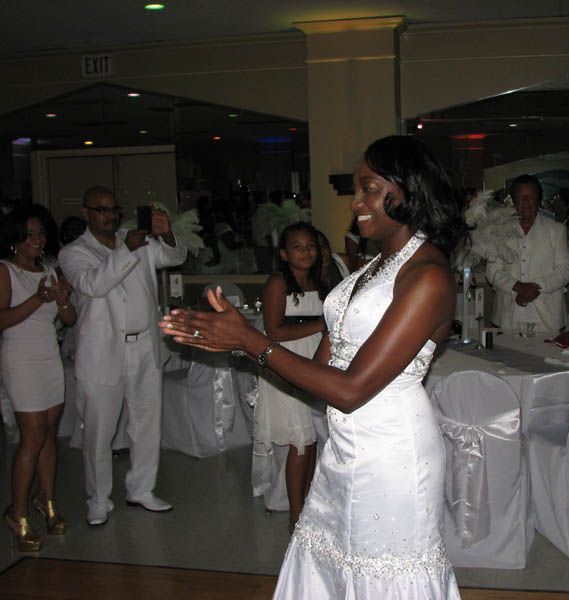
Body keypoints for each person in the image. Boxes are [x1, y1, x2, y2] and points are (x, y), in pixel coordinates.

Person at [161, 135, 467, 598]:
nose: (355, 202)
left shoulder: (428, 275)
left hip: (392, 452)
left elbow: (352, 388)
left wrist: (249, 339)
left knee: (383, 573)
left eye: (368, 188)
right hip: (343, 446)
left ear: (406, 190)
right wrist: (237, 344)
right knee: (330, 563)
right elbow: (318, 376)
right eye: (356, 189)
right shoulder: (372, 267)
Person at [59, 186, 186, 526]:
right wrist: (126, 250)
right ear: (86, 213)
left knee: (146, 423)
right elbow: (93, 285)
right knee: (98, 430)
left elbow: (174, 257)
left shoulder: (136, 239)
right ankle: (98, 498)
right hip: (103, 351)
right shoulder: (74, 252)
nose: (110, 215)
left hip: (145, 345)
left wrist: (166, 233)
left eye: (114, 209)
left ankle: (142, 489)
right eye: (101, 210)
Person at [1, 207, 75, 552]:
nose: (38, 240)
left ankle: (46, 500)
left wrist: (62, 300)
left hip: (49, 357)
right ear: (15, 239)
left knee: (49, 434)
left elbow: (68, 319)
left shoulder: (47, 271)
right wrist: (37, 299)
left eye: (41, 233)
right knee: (31, 438)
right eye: (30, 235)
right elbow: (2, 320)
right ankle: (17, 514)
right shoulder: (6, 271)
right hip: (20, 359)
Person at [254, 221, 327, 531]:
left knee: (311, 438)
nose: (305, 252)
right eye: (297, 247)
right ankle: (296, 516)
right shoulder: (278, 283)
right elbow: (274, 331)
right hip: (287, 362)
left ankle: (307, 504)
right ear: (283, 253)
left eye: (310, 246)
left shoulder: (319, 282)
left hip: (314, 360)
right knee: (300, 439)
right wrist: (320, 325)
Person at [485, 174, 569, 334]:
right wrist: (518, 287)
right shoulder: (498, 231)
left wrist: (534, 288)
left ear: (539, 200)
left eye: (531, 197)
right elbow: (492, 271)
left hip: (547, 316)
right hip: (508, 315)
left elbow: (565, 271)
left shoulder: (556, 230)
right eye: (520, 197)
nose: (525, 202)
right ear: (513, 200)